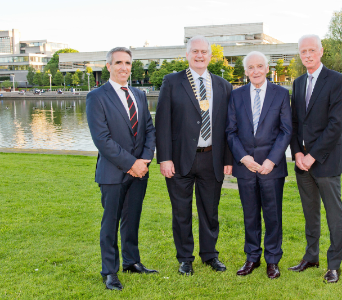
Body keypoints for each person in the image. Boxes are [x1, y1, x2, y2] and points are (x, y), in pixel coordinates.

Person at [155, 35, 233, 276]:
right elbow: (162, 122)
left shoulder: (222, 85)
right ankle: (185, 258)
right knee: (181, 211)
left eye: (204, 52)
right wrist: (164, 158)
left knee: (210, 211)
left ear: (211, 56)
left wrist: (228, 159)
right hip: (179, 159)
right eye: (195, 51)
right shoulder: (172, 81)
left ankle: (210, 255)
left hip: (213, 158)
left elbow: (229, 126)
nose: (199, 55)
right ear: (187, 55)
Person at [86, 47, 157, 291]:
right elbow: (102, 139)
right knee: (110, 223)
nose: (123, 67)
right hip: (113, 172)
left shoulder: (139, 94)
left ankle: (131, 261)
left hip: (140, 171)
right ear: (108, 66)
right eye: (118, 62)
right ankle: (109, 272)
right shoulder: (97, 97)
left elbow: (149, 129)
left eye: (127, 62)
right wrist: (131, 164)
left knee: (132, 219)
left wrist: (145, 160)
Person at [226, 51, 292, 279]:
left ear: (267, 69)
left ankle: (272, 260)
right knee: (250, 215)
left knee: (273, 215)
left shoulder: (282, 94)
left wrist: (271, 160)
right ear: (246, 72)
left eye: (259, 66)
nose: (255, 71)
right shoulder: (236, 96)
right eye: (251, 67)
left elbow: (286, 131)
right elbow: (231, 132)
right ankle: (252, 257)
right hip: (246, 166)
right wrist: (243, 157)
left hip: (271, 167)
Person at [289, 34, 342, 283]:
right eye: (303, 51)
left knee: (334, 215)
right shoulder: (298, 82)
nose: (308, 55)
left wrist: (312, 155)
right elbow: (293, 122)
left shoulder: (337, 81)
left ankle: (333, 264)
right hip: (303, 164)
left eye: (312, 50)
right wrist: (298, 153)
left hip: (326, 161)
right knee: (310, 213)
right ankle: (311, 257)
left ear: (321, 51)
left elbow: (336, 125)